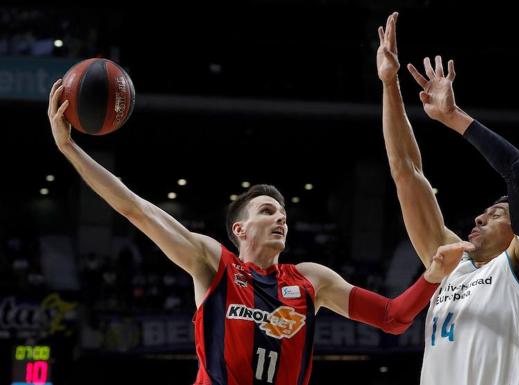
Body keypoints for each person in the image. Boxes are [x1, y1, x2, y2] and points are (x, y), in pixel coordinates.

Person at [47, 80, 473, 385]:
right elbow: (132, 208)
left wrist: (432, 275)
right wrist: (70, 148)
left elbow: (392, 319)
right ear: (240, 228)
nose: (281, 217)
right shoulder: (212, 263)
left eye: (284, 212)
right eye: (269, 211)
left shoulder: (311, 279)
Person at [376, 12, 519, 385]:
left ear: (518, 231)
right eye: (484, 212)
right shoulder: (447, 262)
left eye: (496, 214)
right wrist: (389, 83)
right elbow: (406, 171)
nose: (479, 218)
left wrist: (453, 116)